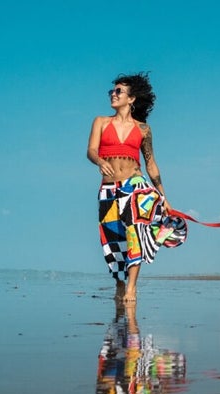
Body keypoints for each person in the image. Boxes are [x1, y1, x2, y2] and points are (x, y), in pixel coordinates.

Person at [87, 72, 175, 302]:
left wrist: (163, 197)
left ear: (131, 98)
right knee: (111, 239)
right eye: (112, 91)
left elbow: (151, 164)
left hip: (135, 186)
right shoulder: (101, 122)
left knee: (135, 234)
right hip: (108, 188)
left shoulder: (144, 129)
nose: (113, 95)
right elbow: (91, 151)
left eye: (118, 91)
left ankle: (131, 288)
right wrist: (100, 161)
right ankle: (119, 281)